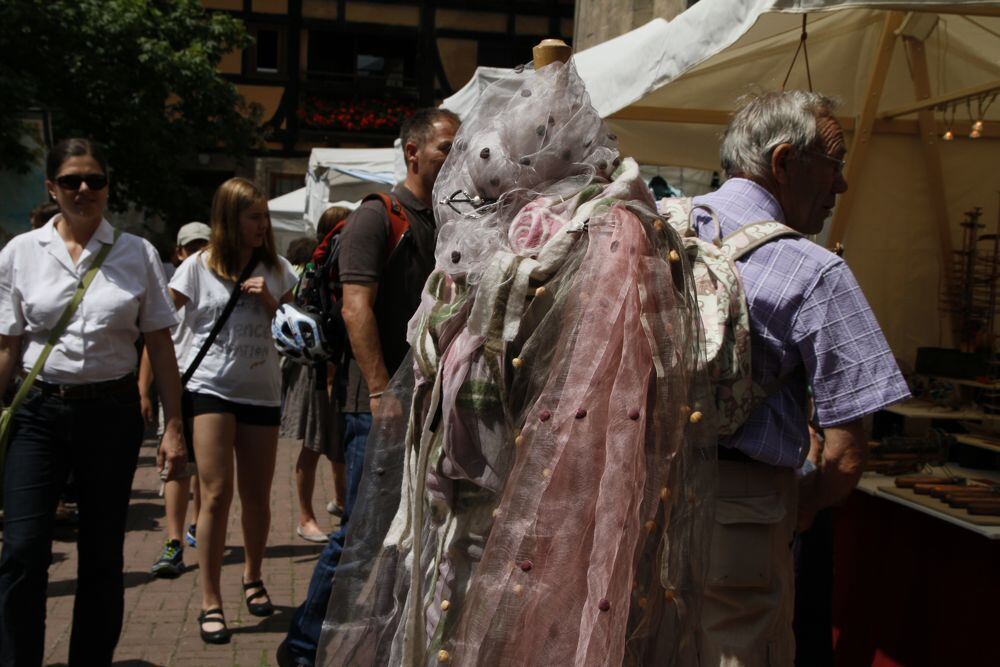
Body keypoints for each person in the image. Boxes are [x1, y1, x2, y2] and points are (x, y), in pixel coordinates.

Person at [690, 91, 910, 664]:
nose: (840, 187)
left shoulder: (654, 229)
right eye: (834, 166)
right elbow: (845, 454)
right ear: (785, 162)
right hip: (745, 517)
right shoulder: (816, 271)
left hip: (640, 501)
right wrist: (805, 502)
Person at [278, 107, 460, 667]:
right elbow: (356, 309)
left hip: (422, 403)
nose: (453, 158)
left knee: (395, 533)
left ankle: (367, 641)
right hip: (374, 405)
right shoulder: (377, 217)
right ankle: (304, 647)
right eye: (445, 148)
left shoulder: (443, 220)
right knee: (361, 532)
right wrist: (382, 393)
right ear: (413, 151)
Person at [0, 138, 186, 665]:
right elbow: (7, 347)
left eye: (95, 180)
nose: (84, 190)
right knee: (22, 550)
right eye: (71, 181)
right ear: (51, 188)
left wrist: (173, 428)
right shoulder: (20, 253)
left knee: (102, 553)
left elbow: (160, 347)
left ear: (108, 185)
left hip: (110, 414)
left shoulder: (137, 253)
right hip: (38, 411)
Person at [168, 177, 297, 644]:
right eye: (253, 216)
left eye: (265, 216)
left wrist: (268, 298)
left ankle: (253, 576)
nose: (263, 225)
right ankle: (210, 599)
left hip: (261, 390)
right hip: (210, 389)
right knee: (216, 493)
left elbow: (294, 330)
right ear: (228, 219)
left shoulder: (280, 268)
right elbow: (162, 320)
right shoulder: (198, 267)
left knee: (258, 496)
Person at [143, 221, 212, 577]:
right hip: (177, 384)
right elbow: (154, 341)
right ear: (179, 252)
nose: (200, 250)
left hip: (206, 389)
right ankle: (173, 540)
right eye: (193, 245)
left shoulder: (216, 278)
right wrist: (143, 388)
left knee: (204, 469)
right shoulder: (174, 287)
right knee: (177, 465)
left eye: (206, 244)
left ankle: (197, 525)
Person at [279, 232, 345, 543]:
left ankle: (340, 503)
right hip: (315, 374)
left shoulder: (318, 275)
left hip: (327, 373)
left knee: (332, 444)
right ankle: (305, 517)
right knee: (314, 443)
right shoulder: (311, 278)